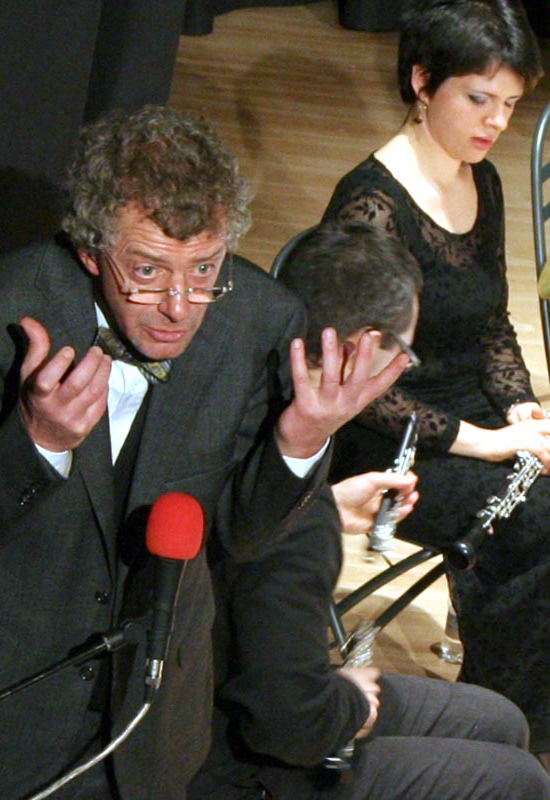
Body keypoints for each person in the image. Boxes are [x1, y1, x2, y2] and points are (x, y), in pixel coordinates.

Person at [0, 106, 407, 800]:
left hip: (144, 736)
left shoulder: (259, 320)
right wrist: (36, 443)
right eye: (147, 270)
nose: (180, 305)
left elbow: (239, 537)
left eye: (205, 269)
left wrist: (300, 443)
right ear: (90, 252)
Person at [188, 220, 550, 800]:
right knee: (521, 779)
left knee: (502, 720)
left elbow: (235, 552)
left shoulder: (256, 410)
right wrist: (351, 703)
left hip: (255, 684)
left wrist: (328, 506)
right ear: (358, 349)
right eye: (404, 352)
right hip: (230, 756)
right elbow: (288, 724)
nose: (405, 368)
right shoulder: (291, 496)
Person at [320, 0, 550, 766]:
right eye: (479, 99)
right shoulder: (370, 206)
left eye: (510, 104)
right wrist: (490, 443)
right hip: (389, 434)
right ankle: (504, 730)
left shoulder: (484, 179)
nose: (497, 123)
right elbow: (358, 382)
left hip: (474, 417)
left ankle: (521, 699)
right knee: (540, 526)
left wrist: (524, 410)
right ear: (422, 82)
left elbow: (491, 323)